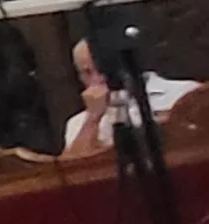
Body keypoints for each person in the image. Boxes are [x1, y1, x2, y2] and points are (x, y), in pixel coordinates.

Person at [65, 36, 198, 153]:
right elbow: (76, 171)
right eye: (87, 72)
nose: (99, 78)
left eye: (104, 68)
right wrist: (93, 119)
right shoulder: (78, 123)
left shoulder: (185, 92)